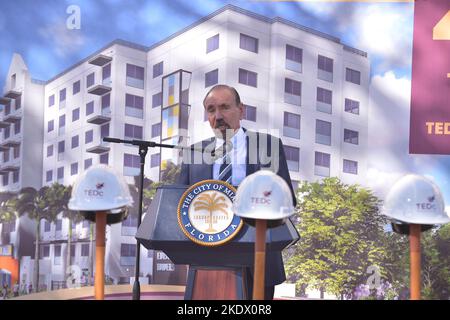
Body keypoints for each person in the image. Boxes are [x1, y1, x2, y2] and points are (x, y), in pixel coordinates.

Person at [178, 84, 297, 300]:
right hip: (206, 260)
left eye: (225, 107)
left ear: (241, 110)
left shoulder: (267, 146)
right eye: (211, 110)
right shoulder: (193, 152)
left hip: (258, 258)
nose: (218, 115)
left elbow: (285, 197)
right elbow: (178, 204)